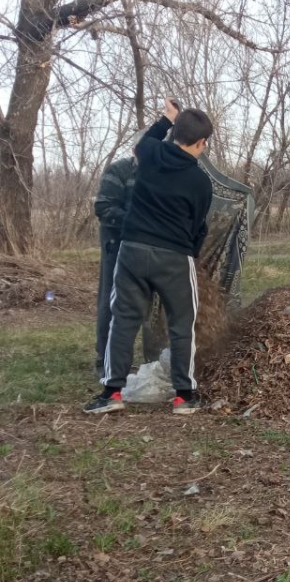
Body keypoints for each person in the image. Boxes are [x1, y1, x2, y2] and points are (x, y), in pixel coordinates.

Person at [84, 99, 214, 416]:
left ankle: (111, 392)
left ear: (173, 134)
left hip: (132, 251)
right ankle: (184, 396)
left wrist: (166, 120)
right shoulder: (200, 181)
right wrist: (190, 254)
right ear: (202, 143)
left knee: (123, 320)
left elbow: (145, 142)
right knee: (182, 324)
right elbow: (197, 225)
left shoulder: (150, 155)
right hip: (173, 257)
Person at [93, 148, 137, 375]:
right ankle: (103, 359)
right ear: (135, 150)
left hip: (144, 244)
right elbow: (103, 207)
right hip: (115, 240)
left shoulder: (157, 171)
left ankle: (124, 357)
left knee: (135, 302)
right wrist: (135, 219)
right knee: (111, 298)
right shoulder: (119, 170)